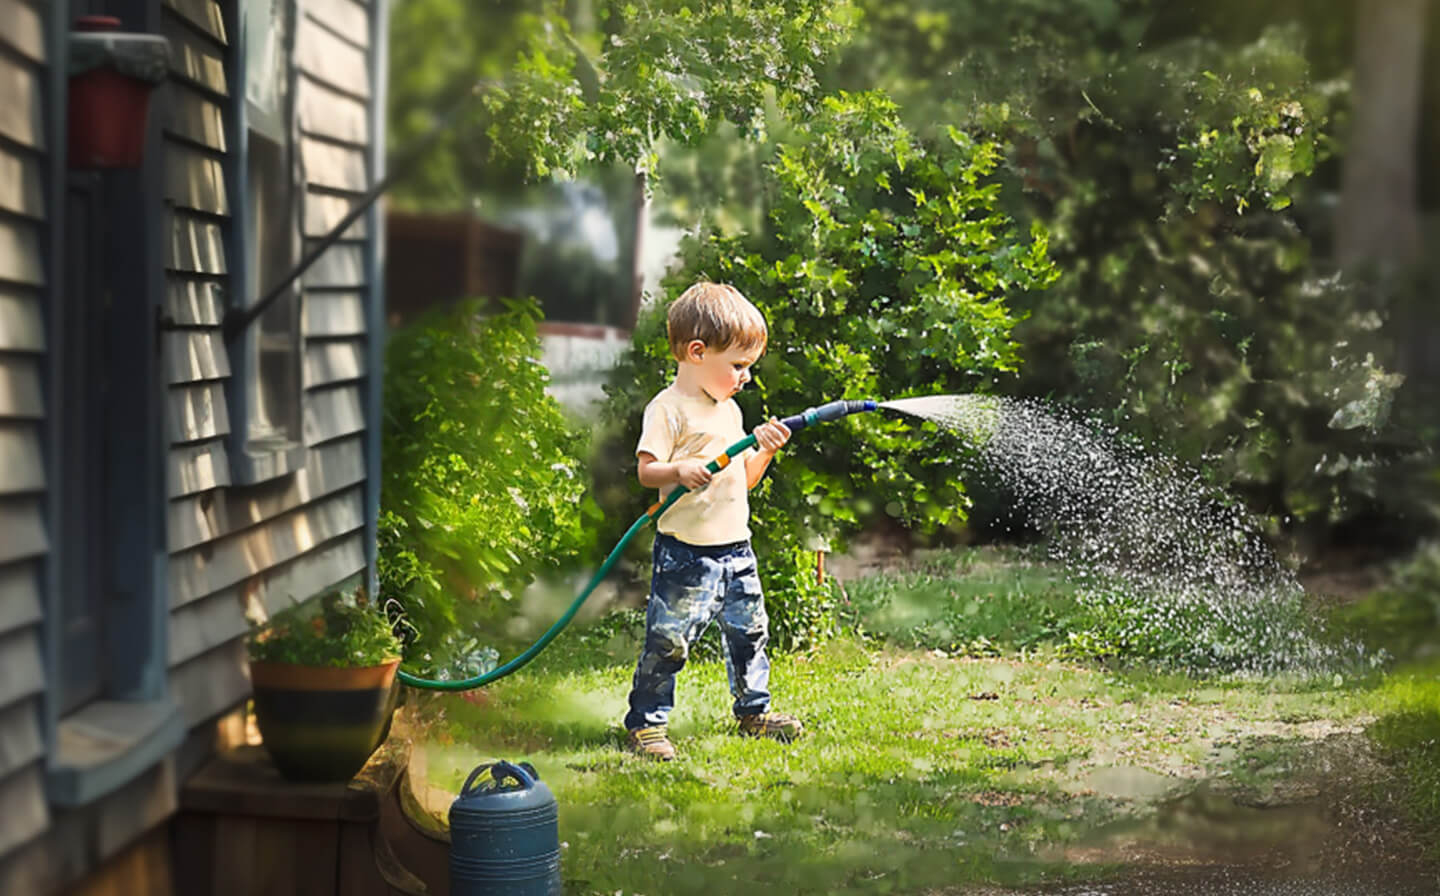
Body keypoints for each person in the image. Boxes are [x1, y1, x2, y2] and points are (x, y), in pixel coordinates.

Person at [623, 281, 804, 760]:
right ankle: (647, 724)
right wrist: (678, 470)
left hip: (736, 549)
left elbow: (742, 482)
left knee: (750, 634)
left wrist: (763, 451)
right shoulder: (668, 409)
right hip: (686, 553)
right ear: (697, 352)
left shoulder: (730, 410)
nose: (745, 377)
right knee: (669, 642)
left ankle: (753, 712)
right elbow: (646, 471)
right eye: (738, 366)